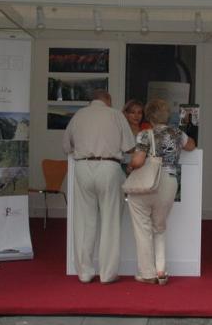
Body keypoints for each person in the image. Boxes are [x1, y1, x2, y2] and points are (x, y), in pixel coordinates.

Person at [62, 89, 135, 284]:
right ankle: (107, 273)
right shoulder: (115, 115)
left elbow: (66, 147)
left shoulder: (79, 115)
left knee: (85, 221)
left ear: (91, 101)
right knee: (110, 221)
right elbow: (129, 146)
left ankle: (85, 272)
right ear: (108, 101)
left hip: (83, 166)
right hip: (109, 167)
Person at [126, 98, 196, 285]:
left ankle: (147, 273)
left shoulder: (144, 135)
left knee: (143, 229)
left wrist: (130, 166)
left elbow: (139, 161)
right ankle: (161, 271)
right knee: (160, 227)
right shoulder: (177, 133)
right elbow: (191, 146)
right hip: (169, 183)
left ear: (149, 116)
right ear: (167, 115)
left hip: (146, 184)